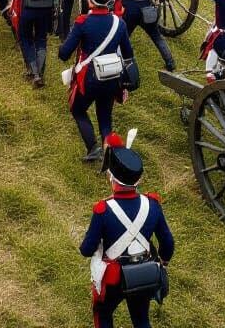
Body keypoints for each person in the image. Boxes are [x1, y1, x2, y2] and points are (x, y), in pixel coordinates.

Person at [79, 132, 174, 328]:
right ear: (138, 180)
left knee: (103, 315)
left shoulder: (103, 210)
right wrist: (163, 261)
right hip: (143, 273)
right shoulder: (153, 205)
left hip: (113, 278)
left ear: (111, 176)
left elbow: (86, 250)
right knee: (141, 320)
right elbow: (168, 243)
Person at [59, 0, 137, 160]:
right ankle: (110, 155)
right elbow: (128, 54)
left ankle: (93, 147)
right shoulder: (120, 23)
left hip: (89, 78)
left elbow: (64, 54)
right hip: (112, 78)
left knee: (77, 110)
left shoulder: (82, 22)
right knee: (105, 117)